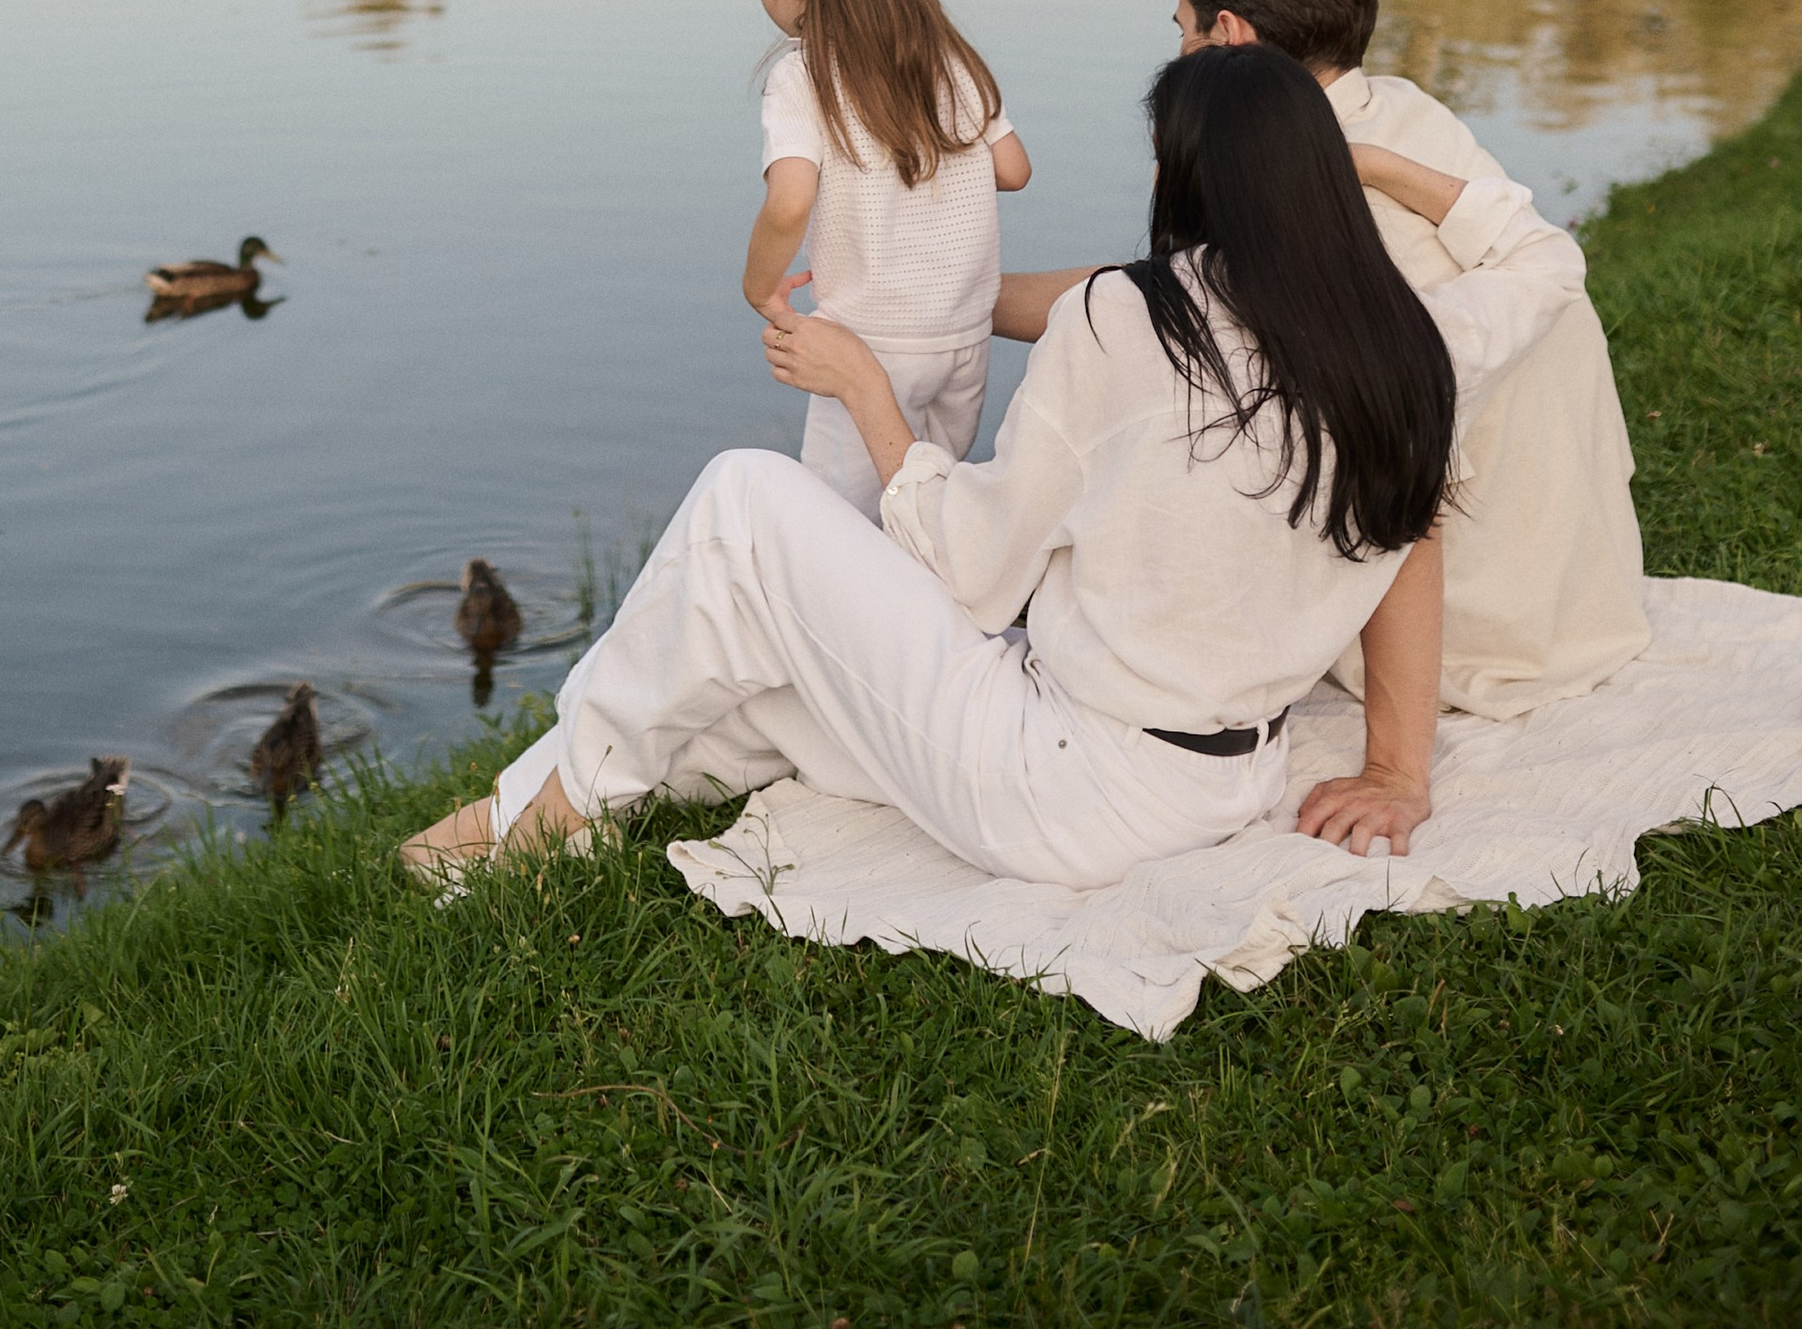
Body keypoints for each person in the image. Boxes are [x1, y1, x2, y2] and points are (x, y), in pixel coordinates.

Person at [404, 45, 1588, 892]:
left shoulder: (1129, 322)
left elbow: (969, 571)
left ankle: (543, 816)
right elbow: (1544, 255)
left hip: (1064, 787)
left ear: (1187, 177)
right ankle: (554, 794)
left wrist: (866, 387)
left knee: (741, 503)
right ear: (1319, 174)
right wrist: (1378, 165)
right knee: (755, 671)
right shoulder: (1414, 339)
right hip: (1222, 777)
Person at [996, 0, 1648, 716]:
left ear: (1230, 36)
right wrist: (973, 304)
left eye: (1184, 29)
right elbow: (1170, 296)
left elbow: (1158, 316)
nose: (1179, 49)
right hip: (1585, 595)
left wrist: (1395, 770)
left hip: (1476, 630)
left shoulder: (1327, 219)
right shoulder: (1403, 113)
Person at [735, 0, 1032, 517]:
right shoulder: (946, 54)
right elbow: (1014, 169)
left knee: (836, 530)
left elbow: (791, 199)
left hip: (868, 347)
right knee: (928, 514)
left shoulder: (801, 77)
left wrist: (758, 288)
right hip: (964, 340)